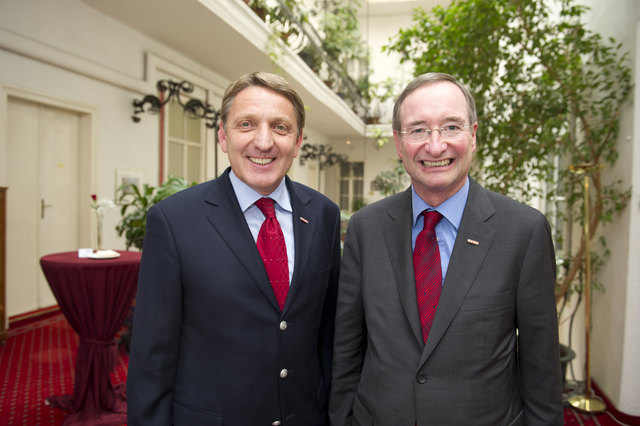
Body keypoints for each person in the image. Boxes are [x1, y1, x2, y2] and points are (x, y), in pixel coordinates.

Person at [329, 72, 563, 425]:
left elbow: (541, 368)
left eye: (451, 127)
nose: (435, 146)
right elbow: (347, 349)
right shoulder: (365, 228)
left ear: (473, 135)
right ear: (398, 142)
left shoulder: (523, 232)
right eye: (418, 129)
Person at [127, 71, 341, 426]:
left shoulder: (324, 215)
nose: (263, 141)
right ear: (223, 137)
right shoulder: (173, 221)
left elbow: (328, 337)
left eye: (280, 127)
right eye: (246, 124)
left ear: (299, 141)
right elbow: (152, 357)